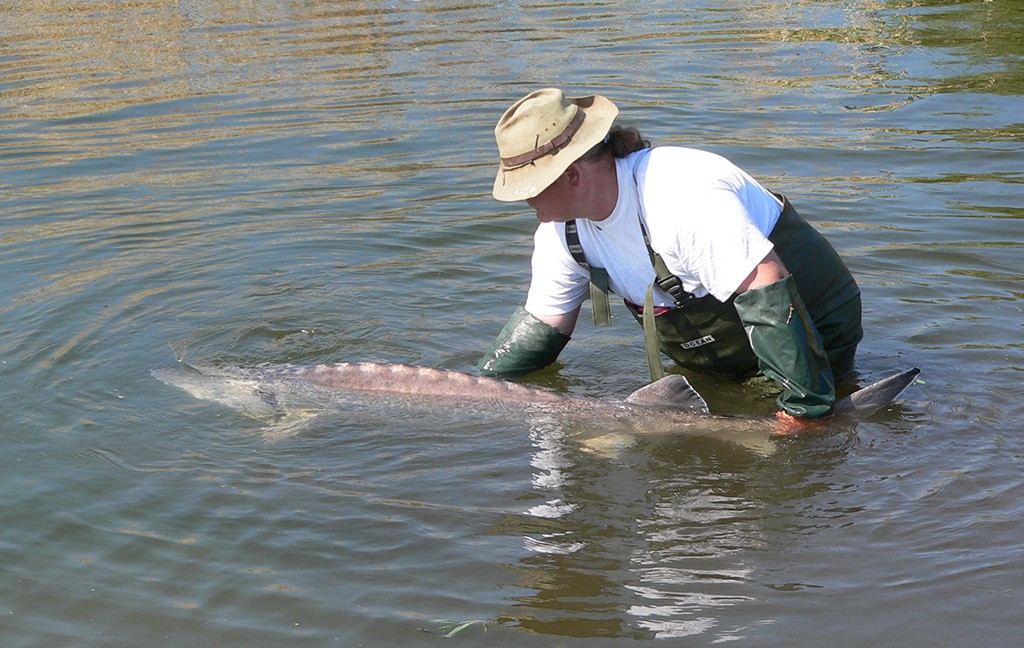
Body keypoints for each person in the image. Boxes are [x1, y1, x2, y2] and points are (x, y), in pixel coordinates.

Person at [477, 88, 863, 422]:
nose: (523, 198)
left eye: (528, 186)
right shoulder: (560, 234)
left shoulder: (679, 192)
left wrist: (805, 411)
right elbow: (542, 329)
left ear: (572, 175)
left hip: (813, 329)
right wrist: (472, 390)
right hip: (719, 355)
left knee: (807, 435)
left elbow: (766, 285)